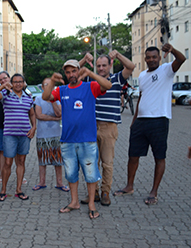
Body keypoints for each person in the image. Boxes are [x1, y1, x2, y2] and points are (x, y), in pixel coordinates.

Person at [114, 44, 186, 205]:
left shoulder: (167, 70)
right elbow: (141, 98)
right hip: (141, 121)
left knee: (159, 157)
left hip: (159, 120)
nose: (151, 60)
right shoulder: (143, 76)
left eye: (154, 57)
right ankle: (129, 186)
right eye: (148, 57)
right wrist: (133, 121)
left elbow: (182, 59)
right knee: (133, 155)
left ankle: (154, 192)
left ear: (159, 58)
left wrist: (173, 50)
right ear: (145, 59)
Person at [42, 60, 112, 219]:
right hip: (68, 140)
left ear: (79, 71)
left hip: (87, 140)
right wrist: (52, 80)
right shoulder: (62, 89)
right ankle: (74, 202)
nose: (71, 75)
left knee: (90, 174)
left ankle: (92, 204)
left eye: (74, 71)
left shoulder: (90, 87)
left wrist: (91, 74)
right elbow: (46, 96)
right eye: (67, 72)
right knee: (71, 174)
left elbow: (107, 86)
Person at [78, 50, 135, 206]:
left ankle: (105, 192)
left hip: (108, 127)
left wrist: (117, 56)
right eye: (98, 66)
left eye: (104, 65)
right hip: (90, 126)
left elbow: (131, 66)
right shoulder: (90, 78)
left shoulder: (117, 78)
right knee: (91, 162)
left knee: (107, 163)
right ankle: (93, 192)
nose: (101, 68)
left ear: (110, 65)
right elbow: (74, 73)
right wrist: (84, 59)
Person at [0, 73, 36, 202]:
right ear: (11, 83)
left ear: (23, 83)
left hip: (25, 135)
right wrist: (3, 86)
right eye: (15, 82)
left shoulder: (28, 97)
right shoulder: (5, 95)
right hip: (9, 134)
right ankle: (3, 190)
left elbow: (32, 114)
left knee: (21, 162)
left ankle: (19, 190)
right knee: (8, 162)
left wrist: (34, 127)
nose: (18, 84)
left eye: (20, 81)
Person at [32, 78, 69, 192]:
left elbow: (60, 114)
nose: (48, 88)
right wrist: (54, 118)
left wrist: (52, 101)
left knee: (58, 160)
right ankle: (42, 182)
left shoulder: (58, 100)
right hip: (42, 135)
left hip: (56, 134)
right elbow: (39, 115)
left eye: (51, 86)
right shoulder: (38, 99)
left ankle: (59, 183)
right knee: (42, 160)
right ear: (42, 87)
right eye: (46, 85)